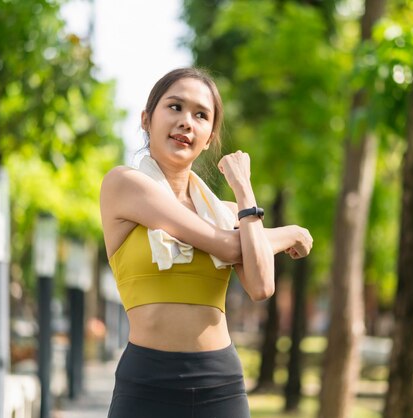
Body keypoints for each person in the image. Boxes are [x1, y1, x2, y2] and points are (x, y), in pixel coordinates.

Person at [100, 67, 313, 418]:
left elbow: (261, 285)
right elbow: (229, 248)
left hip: (221, 387)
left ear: (210, 136)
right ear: (146, 119)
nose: (186, 121)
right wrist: (290, 233)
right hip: (147, 385)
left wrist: (243, 187)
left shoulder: (229, 214)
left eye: (201, 115)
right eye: (175, 107)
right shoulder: (125, 185)